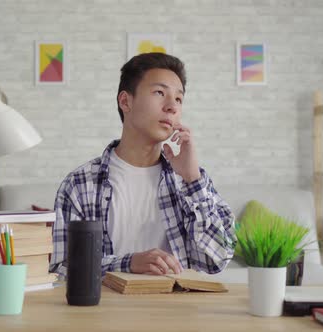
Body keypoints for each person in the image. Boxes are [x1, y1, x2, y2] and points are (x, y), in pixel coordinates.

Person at [50, 52, 236, 277]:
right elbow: (61, 268)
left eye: (178, 99)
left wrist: (192, 180)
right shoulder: (80, 185)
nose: (172, 107)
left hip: (176, 310)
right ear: (125, 101)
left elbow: (216, 260)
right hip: (103, 312)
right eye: (159, 92)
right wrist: (128, 264)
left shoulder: (190, 180)